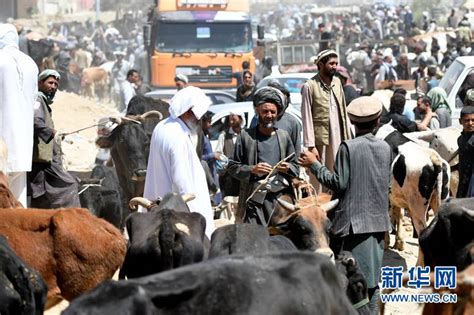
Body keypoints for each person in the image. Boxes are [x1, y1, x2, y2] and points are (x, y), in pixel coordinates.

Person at [298, 96, 392, 313]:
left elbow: (338, 183)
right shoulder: (385, 147)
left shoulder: (348, 147)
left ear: (352, 122)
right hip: (378, 224)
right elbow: (386, 187)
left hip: (352, 227)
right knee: (372, 281)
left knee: (351, 282)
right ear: (378, 121)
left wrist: (315, 165)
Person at [143, 86, 215, 237]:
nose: (200, 120)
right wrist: (194, 217)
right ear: (188, 111)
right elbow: (182, 182)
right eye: (198, 116)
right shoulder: (178, 136)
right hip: (177, 216)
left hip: (158, 210)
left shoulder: (162, 126)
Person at [227, 87, 299, 224]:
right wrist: (252, 169)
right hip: (253, 202)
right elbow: (232, 166)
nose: (269, 115)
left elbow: (295, 166)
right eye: (265, 111)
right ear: (258, 112)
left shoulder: (284, 137)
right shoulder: (246, 136)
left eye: (273, 112)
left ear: (278, 114)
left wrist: (288, 168)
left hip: (280, 203)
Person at [27, 70, 81, 208]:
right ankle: (71, 218)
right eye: (50, 83)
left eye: (56, 84)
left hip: (42, 159)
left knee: (39, 195)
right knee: (69, 184)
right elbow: (35, 121)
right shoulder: (38, 100)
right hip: (41, 160)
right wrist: (53, 133)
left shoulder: (43, 102)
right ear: (40, 83)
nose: (53, 87)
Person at [301, 49, 352, 192]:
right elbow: (307, 117)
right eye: (331, 64)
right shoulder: (309, 86)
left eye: (336, 64)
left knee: (339, 171)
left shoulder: (337, 82)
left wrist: (349, 136)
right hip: (321, 141)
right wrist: (311, 146)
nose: (334, 67)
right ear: (321, 64)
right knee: (320, 174)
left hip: (340, 138)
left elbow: (343, 109)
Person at [0, 23, 38, 207]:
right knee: (17, 202)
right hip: (23, 146)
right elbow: (34, 103)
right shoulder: (30, 63)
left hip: (2, 144)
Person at [215, 113, 244, 197]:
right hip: (228, 176)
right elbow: (218, 153)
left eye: (234, 119)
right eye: (230, 119)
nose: (231, 122)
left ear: (240, 119)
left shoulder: (245, 134)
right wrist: (225, 161)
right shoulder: (223, 135)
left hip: (242, 175)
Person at [456, 106, 474, 198]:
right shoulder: (460, 139)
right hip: (464, 180)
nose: (470, 123)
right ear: (460, 121)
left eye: (473, 120)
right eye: (467, 120)